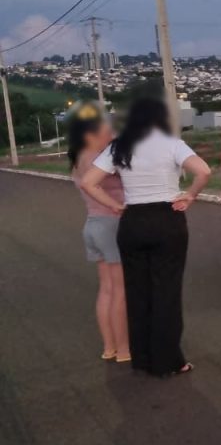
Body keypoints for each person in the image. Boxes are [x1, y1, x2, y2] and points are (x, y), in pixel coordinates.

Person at [80, 97, 211, 378]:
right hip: (168, 219)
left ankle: (142, 358)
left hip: (133, 221)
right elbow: (203, 171)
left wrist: (115, 205)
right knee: (166, 292)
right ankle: (169, 362)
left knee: (138, 291)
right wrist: (190, 195)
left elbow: (89, 182)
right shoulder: (172, 144)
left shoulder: (120, 146)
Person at [68, 103, 130, 363]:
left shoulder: (79, 156)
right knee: (120, 291)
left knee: (106, 289)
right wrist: (117, 205)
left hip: (92, 225)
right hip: (111, 224)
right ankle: (125, 349)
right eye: (105, 128)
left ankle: (109, 347)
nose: (110, 132)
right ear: (90, 133)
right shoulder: (100, 157)